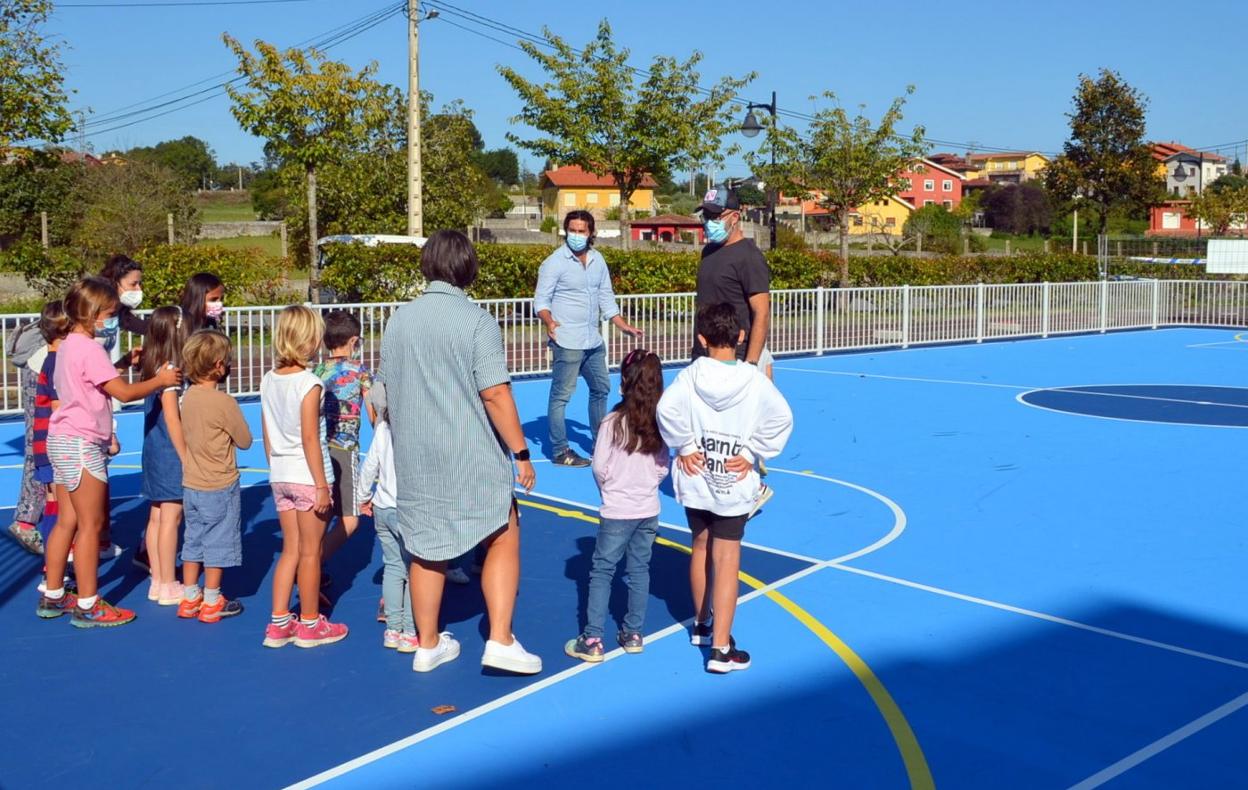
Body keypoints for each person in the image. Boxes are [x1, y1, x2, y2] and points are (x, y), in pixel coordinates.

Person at [380, 229, 540, 674]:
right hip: (470, 452)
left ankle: (427, 643)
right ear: (468, 267)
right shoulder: (477, 321)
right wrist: (521, 452)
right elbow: (495, 393)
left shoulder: (398, 320)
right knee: (502, 531)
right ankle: (501, 639)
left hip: (417, 455)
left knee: (426, 546)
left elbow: (383, 391)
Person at [37, 277, 181, 628]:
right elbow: (125, 394)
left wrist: (121, 366)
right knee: (91, 524)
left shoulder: (69, 345)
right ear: (92, 313)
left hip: (62, 438)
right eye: (109, 313)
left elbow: (93, 382)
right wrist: (161, 381)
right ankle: (89, 602)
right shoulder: (90, 348)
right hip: (82, 442)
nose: (112, 318)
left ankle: (54, 593)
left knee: (68, 521)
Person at [657, 303, 793, 673]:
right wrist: (751, 451)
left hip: (697, 476)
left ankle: (702, 623)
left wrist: (685, 445)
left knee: (700, 545)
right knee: (727, 558)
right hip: (732, 480)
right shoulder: (753, 381)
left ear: (701, 339)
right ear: (741, 337)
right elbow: (782, 418)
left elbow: (665, 410)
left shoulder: (688, 377)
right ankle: (720, 648)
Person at [565, 348, 670, 663]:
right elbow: (663, 464)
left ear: (625, 380)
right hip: (648, 508)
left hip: (617, 509)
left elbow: (599, 466)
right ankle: (634, 632)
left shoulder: (612, 422)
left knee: (602, 570)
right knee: (639, 569)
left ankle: (593, 638)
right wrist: (648, 483)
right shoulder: (660, 423)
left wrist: (610, 488)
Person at [260, 305, 346, 649]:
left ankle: (279, 622)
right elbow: (312, 437)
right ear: (307, 340)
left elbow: (267, 433)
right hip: (307, 475)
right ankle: (310, 623)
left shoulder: (268, 379)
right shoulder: (310, 383)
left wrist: (275, 468)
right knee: (311, 553)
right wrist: (322, 486)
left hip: (280, 473)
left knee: (290, 551)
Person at [534, 210, 643, 467]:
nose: (576, 235)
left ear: (591, 233)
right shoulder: (554, 263)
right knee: (561, 397)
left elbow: (606, 296)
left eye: (582, 231)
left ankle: (600, 443)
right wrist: (549, 321)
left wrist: (621, 324)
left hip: (592, 341)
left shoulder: (598, 260)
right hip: (567, 340)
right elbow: (541, 300)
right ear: (565, 231)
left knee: (601, 388)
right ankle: (560, 450)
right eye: (572, 230)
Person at [177, 330, 253, 623]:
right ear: (219, 364)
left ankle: (190, 596)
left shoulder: (189, 397)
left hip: (192, 482)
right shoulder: (224, 402)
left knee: (193, 539)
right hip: (219, 482)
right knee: (218, 541)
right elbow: (245, 440)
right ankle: (211, 600)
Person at [356, 388, 418, 652]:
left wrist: (362, 496)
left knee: (393, 566)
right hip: (410, 509)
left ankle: (393, 629)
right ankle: (411, 629)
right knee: (417, 569)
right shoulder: (417, 432)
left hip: (383, 506)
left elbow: (370, 465)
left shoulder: (382, 429)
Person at [314, 310, 373, 569]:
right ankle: (313, 564)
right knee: (350, 519)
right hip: (344, 448)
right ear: (353, 341)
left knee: (323, 512)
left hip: (318, 448)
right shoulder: (360, 371)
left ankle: (311, 563)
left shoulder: (317, 370)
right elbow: (374, 414)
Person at [139, 306, 188, 606]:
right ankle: (168, 582)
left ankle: (158, 579)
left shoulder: (153, 366)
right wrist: (187, 457)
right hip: (169, 452)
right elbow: (173, 419)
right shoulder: (169, 372)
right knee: (171, 516)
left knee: (156, 516)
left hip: (154, 449)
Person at [6, 302, 62, 554]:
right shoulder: (48, 359)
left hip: (41, 374)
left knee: (39, 451)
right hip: (41, 378)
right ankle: (26, 521)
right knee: (38, 450)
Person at [693, 185, 771, 365]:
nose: (709, 222)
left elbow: (762, 313)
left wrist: (750, 363)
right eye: (706, 216)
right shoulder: (708, 251)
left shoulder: (749, 256)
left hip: (734, 358)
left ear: (734, 217)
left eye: (715, 217)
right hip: (703, 355)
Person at [32, 301, 68, 550]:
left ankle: (54, 564)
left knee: (54, 500)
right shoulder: (57, 363)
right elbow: (59, 407)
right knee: (64, 509)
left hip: (45, 445)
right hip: (55, 445)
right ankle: (59, 563)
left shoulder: (51, 360)